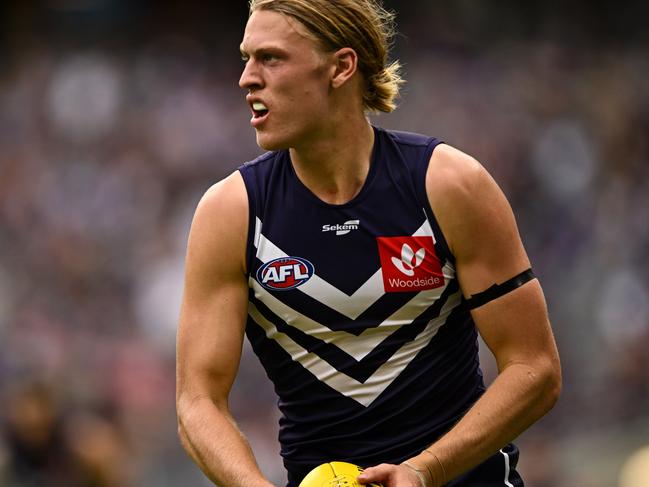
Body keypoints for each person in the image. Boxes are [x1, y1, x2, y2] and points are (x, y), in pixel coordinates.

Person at [175, 1, 562, 486]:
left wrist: (425, 470)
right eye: (246, 58)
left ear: (341, 67)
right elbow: (199, 401)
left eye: (271, 58)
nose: (247, 78)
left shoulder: (448, 185)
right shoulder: (229, 214)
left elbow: (535, 368)